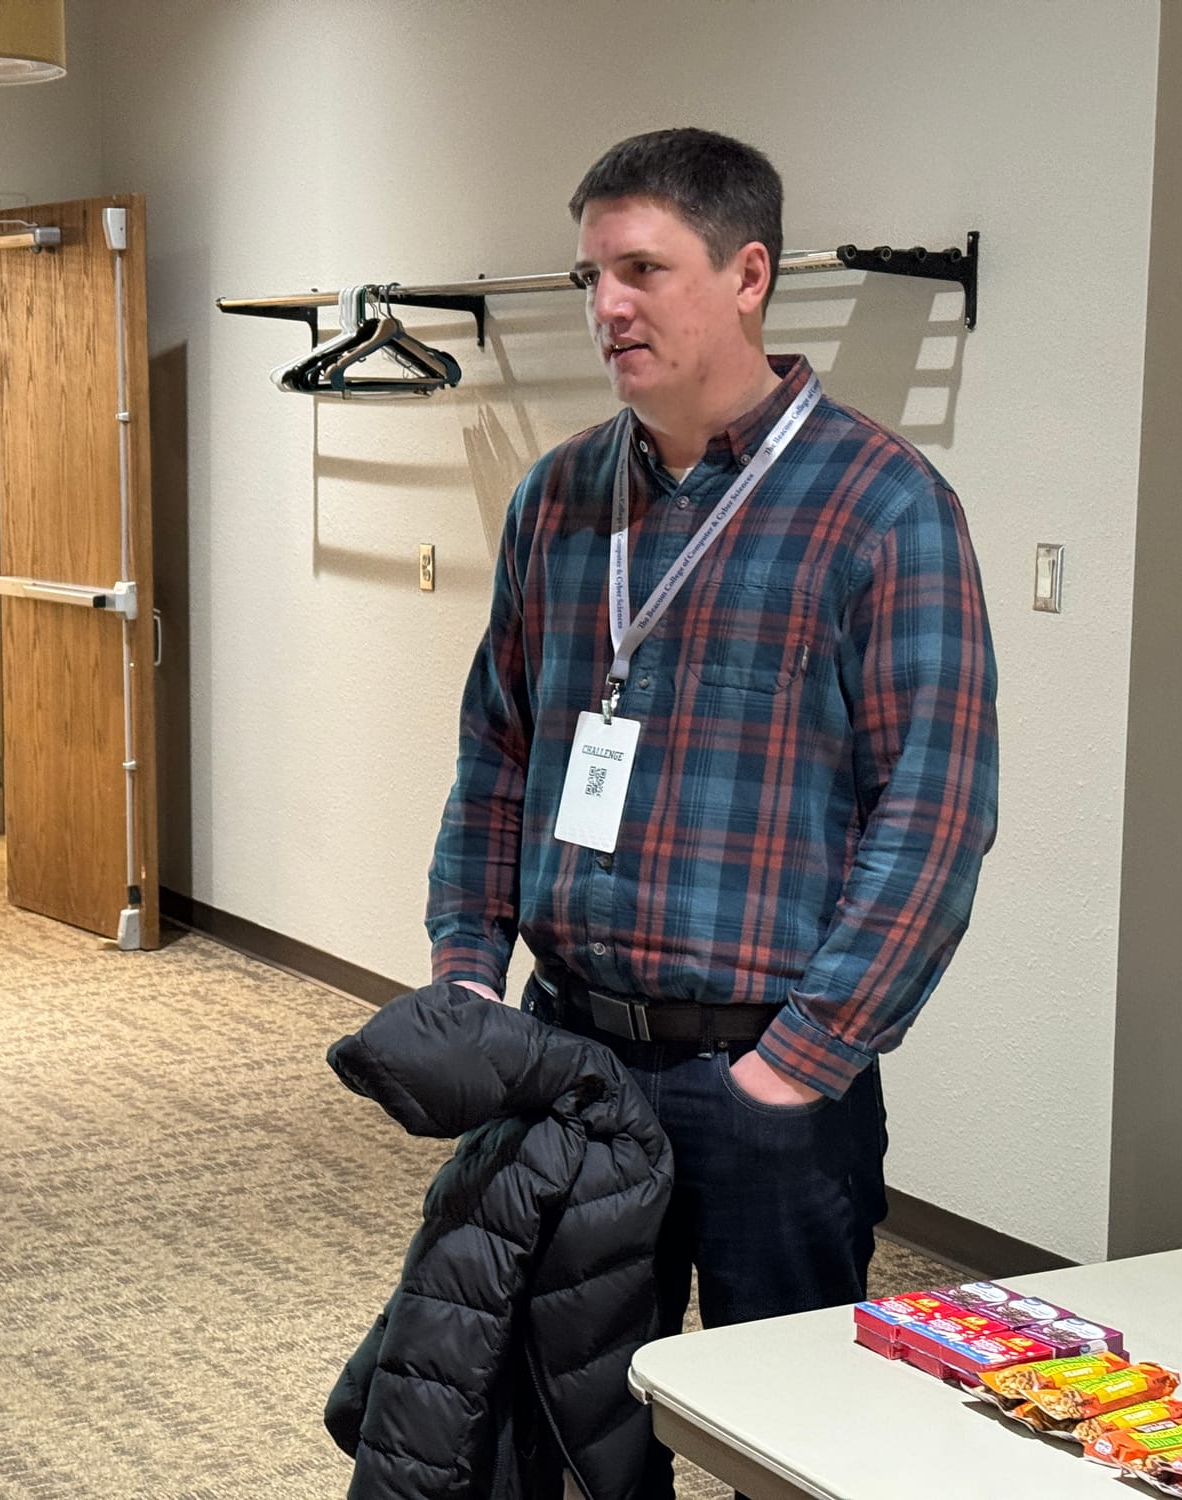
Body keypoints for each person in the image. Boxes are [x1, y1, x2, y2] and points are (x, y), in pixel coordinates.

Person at [427, 128, 998, 1498]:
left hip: (766, 1088)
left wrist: (803, 1062)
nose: (608, 307)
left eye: (642, 269)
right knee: (566, 1431)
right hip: (573, 1059)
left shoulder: (880, 505)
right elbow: (497, 751)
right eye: (591, 276)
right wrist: (464, 974)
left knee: (786, 1447)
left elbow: (935, 810)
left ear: (748, 276)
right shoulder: (561, 497)